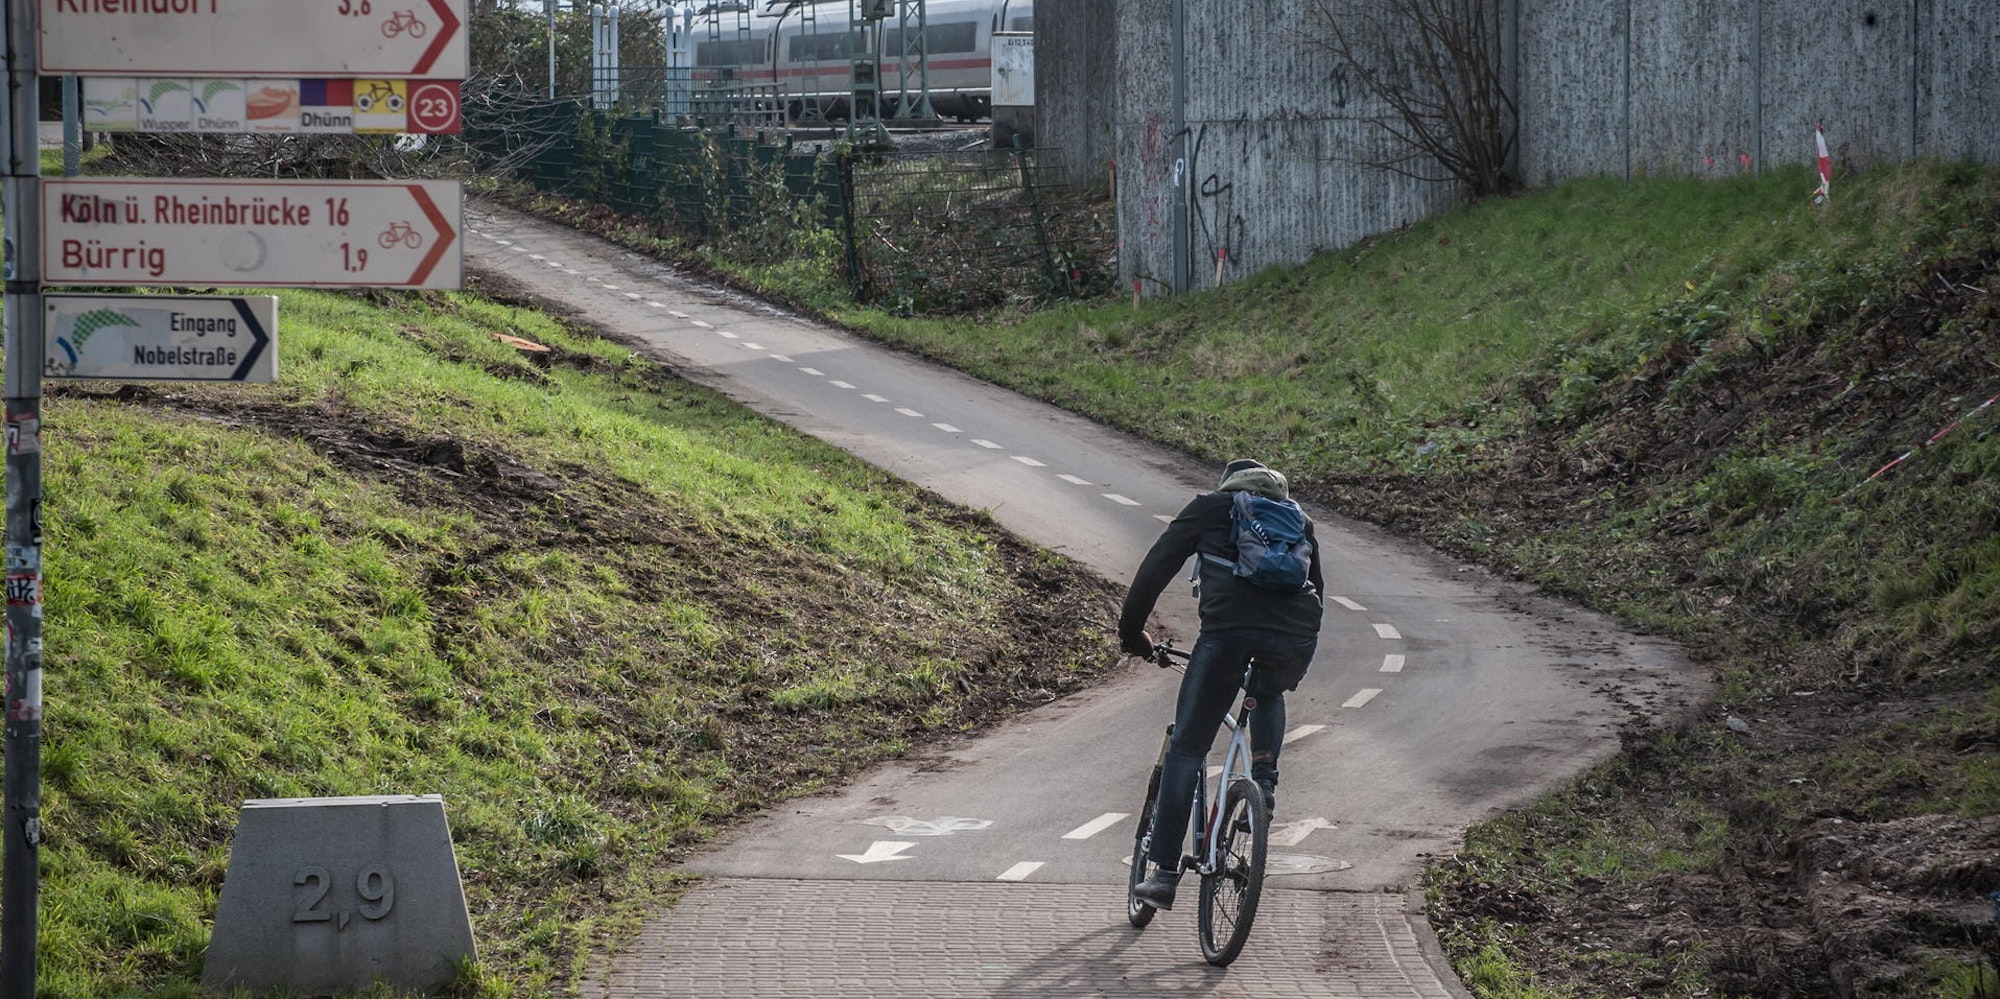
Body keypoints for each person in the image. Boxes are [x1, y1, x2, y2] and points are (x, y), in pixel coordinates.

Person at [1121, 458, 1325, 911]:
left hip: (1226, 634)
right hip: (1296, 635)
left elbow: (1155, 570)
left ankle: (1164, 874)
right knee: (1266, 690)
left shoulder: (1210, 508)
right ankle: (1264, 784)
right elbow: (1317, 588)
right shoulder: (1298, 520)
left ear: (1229, 485)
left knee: (1188, 748)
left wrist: (1132, 633)